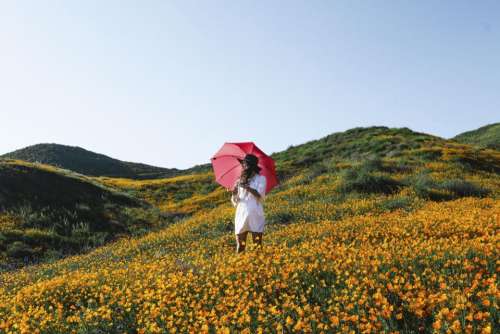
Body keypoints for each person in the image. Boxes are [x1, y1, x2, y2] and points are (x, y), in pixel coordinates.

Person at [230, 154, 267, 253]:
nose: (243, 166)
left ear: (251, 166)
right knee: (240, 245)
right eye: (243, 164)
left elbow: (260, 195)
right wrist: (234, 194)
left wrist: (247, 187)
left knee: (257, 245)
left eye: (245, 164)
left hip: (255, 213)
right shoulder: (239, 180)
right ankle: (238, 268)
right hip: (241, 213)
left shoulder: (261, 179)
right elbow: (235, 201)